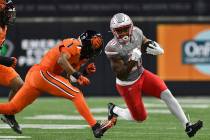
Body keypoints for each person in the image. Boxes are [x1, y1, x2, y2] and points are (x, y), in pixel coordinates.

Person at [0, 30, 116, 138]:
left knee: (12, 108)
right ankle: (96, 127)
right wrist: (78, 75)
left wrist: (84, 73)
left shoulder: (80, 57)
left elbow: (70, 78)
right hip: (43, 73)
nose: (93, 51)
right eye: (94, 46)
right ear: (87, 41)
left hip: (37, 76)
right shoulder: (74, 43)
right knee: (76, 94)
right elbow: (62, 60)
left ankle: (96, 127)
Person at [105, 13, 203, 138]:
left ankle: (188, 126)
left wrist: (153, 46)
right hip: (127, 84)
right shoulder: (112, 48)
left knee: (166, 94)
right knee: (140, 118)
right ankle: (115, 110)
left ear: (131, 27)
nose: (124, 33)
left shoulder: (137, 32)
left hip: (142, 74)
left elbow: (145, 42)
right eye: (120, 30)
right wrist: (133, 60)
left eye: (126, 29)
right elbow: (122, 74)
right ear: (114, 31)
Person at [0, 0, 23, 134]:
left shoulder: (3, 26)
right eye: (8, 13)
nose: (10, 16)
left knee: (19, 85)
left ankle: (8, 114)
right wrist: (5, 60)